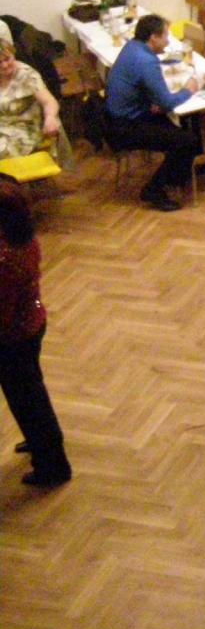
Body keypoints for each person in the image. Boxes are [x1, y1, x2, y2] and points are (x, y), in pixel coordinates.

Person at [0, 181, 72, 488]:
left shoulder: (5, 258)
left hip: (13, 338)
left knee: (29, 402)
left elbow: (2, 313)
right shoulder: (24, 238)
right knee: (31, 396)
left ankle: (52, 466)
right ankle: (40, 441)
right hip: (31, 324)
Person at [104, 14, 205, 212]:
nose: (168, 41)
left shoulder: (132, 47)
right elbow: (168, 102)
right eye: (165, 36)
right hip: (126, 125)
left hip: (122, 115)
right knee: (186, 140)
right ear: (153, 38)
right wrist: (188, 90)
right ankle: (154, 189)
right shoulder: (146, 61)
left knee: (186, 123)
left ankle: (181, 172)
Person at [0, 38, 61, 160]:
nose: (4, 65)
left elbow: (49, 101)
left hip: (23, 132)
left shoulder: (27, 75)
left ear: (13, 54)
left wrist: (50, 118)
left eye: (7, 59)